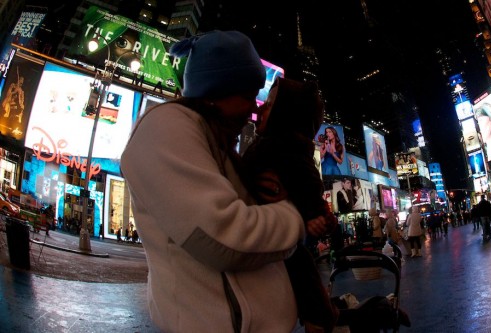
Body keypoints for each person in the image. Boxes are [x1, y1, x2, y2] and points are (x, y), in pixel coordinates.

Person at [121, 30, 327, 332]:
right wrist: (295, 216)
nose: (254, 108)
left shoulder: (217, 143)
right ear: (216, 92)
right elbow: (224, 234)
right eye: (248, 95)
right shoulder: (166, 128)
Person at [242, 76, 338, 332]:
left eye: (270, 104)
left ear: (286, 114)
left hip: (277, 242)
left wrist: (315, 215)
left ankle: (319, 319)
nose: (261, 108)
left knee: (302, 270)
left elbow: (308, 185)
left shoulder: (285, 148)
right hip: (262, 236)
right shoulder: (269, 145)